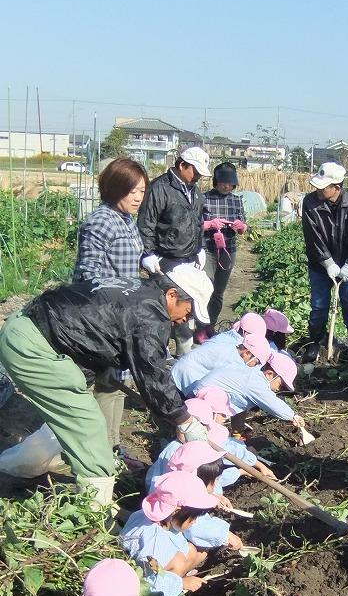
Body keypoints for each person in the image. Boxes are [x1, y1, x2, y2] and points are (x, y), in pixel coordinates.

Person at [0, 268, 212, 505]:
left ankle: (12, 468)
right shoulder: (152, 313)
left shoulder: (141, 290)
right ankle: (95, 510)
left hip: (26, 326)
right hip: (33, 346)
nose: (185, 320)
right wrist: (184, 419)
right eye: (188, 311)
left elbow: (97, 323)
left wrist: (104, 365)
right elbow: (152, 373)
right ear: (172, 294)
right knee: (88, 425)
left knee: (70, 418)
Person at [69, 158, 148, 456]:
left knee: (116, 381)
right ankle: (100, 451)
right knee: (104, 383)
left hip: (122, 313)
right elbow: (87, 273)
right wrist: (119, 295)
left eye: (142, 190)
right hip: (102, 314)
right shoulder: (100, 221)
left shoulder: (126, 220)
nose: (138, 197)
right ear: (116, 189)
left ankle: (113, 446)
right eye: (132, 191)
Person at [138, 146, 212, 354]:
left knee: (186, 312)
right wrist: (147, 253)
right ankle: (156, 358)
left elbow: (198, 222)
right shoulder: (159, 188)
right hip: (165, 261)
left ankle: (182, 357)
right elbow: (147, 222)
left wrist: (200, 247)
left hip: (188, 261)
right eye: (195, 172)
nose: (197, 177)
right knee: (165, 312)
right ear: (182, 165)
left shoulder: (194, 191)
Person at [119, 470, 222, 596]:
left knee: (192, 550)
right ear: (177, 511)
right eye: (193, 517)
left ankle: (175, 579)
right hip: (145, 585)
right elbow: (149, 579)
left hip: (152, 565)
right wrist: (181, 584)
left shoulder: (146, 516)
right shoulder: (154, 541)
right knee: (179, 561)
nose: (195, 521)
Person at [301, 162, 348, 362]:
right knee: (320, 304)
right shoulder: (310, 203)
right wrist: (328, 262)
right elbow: (313, 237)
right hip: (320, 265)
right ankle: (316, 342)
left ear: (336, 188)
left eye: (323, 187)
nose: (318, 190)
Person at [201, 162, 249, 335]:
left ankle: (210, 325)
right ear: (216, 181)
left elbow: (244, 229)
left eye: (230, 184)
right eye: (223, 183)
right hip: (207, 249)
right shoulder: (204, 198)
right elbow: (194, 224)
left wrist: (240, 225)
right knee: (205, 288)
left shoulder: (237, 200)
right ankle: (200, 325)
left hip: (228, 250)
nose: (226, 186)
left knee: (218, 291)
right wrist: (210, 224)